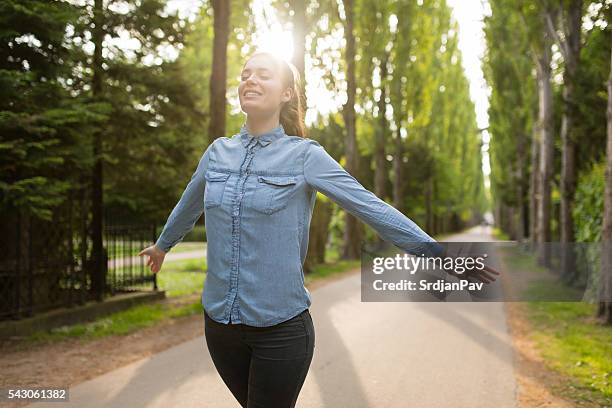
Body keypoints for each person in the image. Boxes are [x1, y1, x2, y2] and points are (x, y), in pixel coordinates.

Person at [138, 50, 498, 407]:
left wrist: (437, 253)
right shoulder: (217, 153)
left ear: (286, 93)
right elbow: (189, 204)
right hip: (219, 325)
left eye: (264, 74)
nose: (250, 79)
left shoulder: (305, 156)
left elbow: (369, 205)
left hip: (281, 330)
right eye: (246, 73)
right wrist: (163, 246)